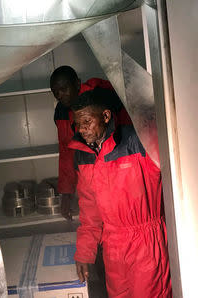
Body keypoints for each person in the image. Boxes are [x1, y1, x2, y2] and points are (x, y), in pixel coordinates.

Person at [69, 88, 172, 297]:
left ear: (105, 116)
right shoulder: (84, 156)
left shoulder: (137, 142)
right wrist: (84, 252)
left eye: (87, 121)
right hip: (113, 247)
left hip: (146, 244)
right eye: (78, 124)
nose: (82, 129)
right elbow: (90, 212)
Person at [50, 66, 131, 219]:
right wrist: (66, 193)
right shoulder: (62, 112)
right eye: (55, 92)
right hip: (91, 176)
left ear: (78, 83)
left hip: (120, 170)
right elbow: (67, 152)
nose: (60, 95)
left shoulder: (101, 98)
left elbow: (125, 140)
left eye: (64, 89)